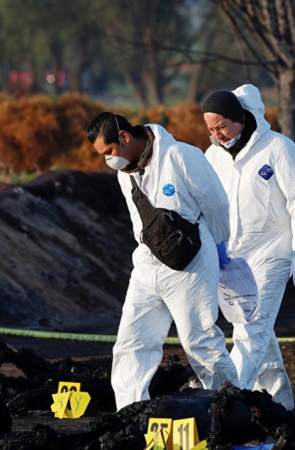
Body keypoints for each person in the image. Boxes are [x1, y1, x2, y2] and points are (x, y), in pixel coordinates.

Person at [86, 112, 239, 411]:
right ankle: (131, 416)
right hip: (147, 264)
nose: (107, 161)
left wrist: (220, 247)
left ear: (125, 137)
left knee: (200, 342)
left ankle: (236, 409)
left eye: (108, 152)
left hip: (191, 263)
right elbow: (137, 224)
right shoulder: (124, 175)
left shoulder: (181, 156)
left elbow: (217, 203)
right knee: (131, 344)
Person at [201, 84, 295, 410]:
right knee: (252, 328)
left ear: (240, 118)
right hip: (232, 258)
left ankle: (228, 403)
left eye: (222, 126)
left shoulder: (278, 147)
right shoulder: (213, 157)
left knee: (251, 329)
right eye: (210, 129)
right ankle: (279, 404)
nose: (217, 135)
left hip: (274, 252)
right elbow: (208, 206)